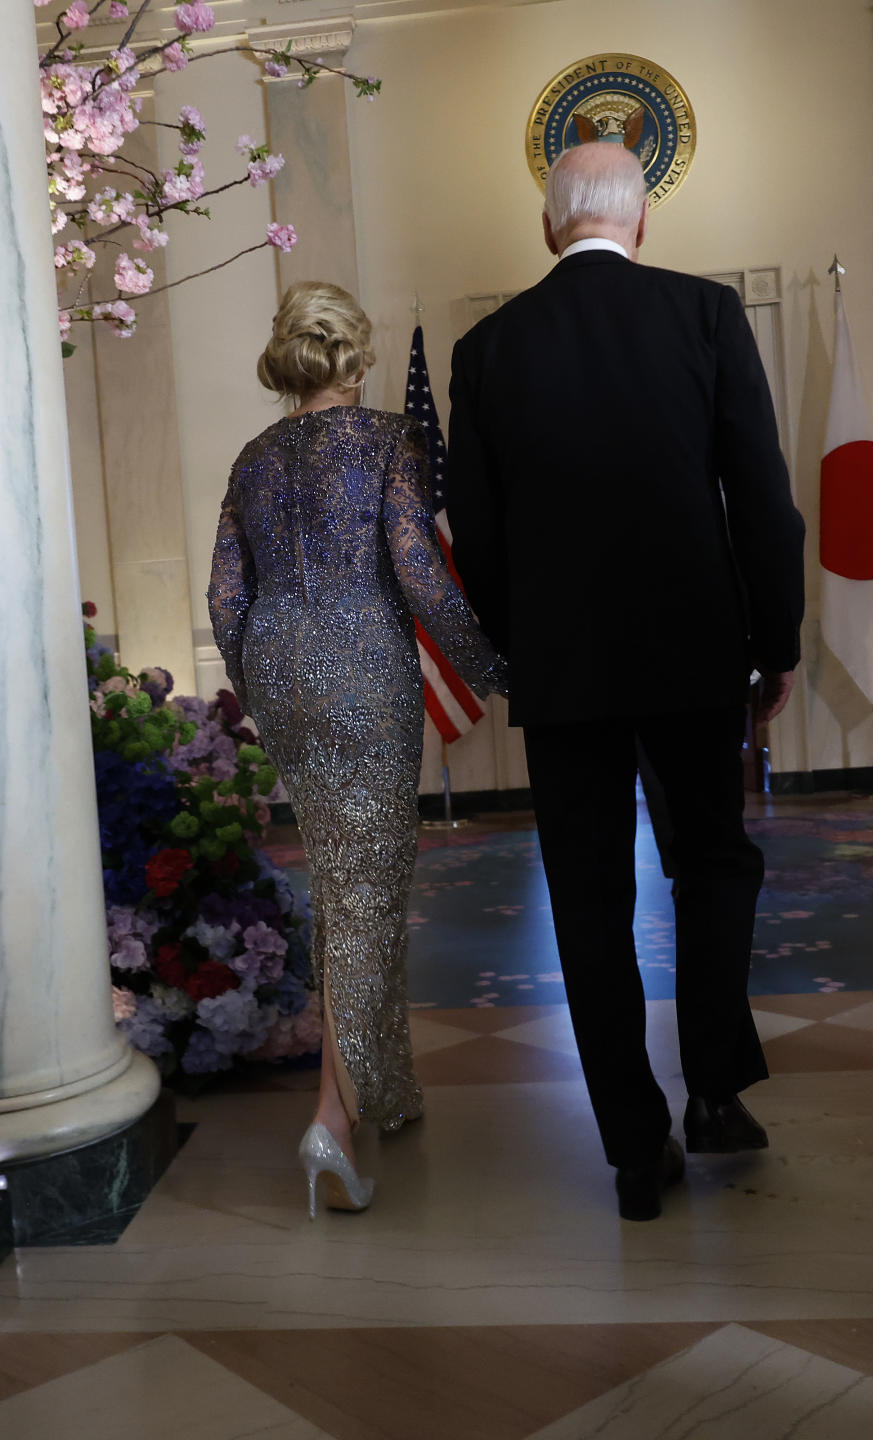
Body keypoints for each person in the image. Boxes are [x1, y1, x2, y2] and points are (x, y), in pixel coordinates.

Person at [446, 142, 805, 1222]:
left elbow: (483, 535)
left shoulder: (487, 347)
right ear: (639, 222)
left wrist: (521, 648)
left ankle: (633, 1150)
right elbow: (762, 495)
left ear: (549, 226)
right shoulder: (705, 314)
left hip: (562, 670)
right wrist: (772, 645)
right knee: (715, 865)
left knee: (589, 900)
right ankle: (714, 1092)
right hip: (696, 652)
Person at [208, 280, 506, 1216]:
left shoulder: (252, 458)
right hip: (364, 674)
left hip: (282, 673)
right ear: (356, 354)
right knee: (369, 889)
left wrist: (259, 686)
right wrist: (491, 666)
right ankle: (332, 1116)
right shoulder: (387, 442)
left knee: (345, 883)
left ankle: (388, 1087)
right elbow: (417, 569)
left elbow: (226, 601)